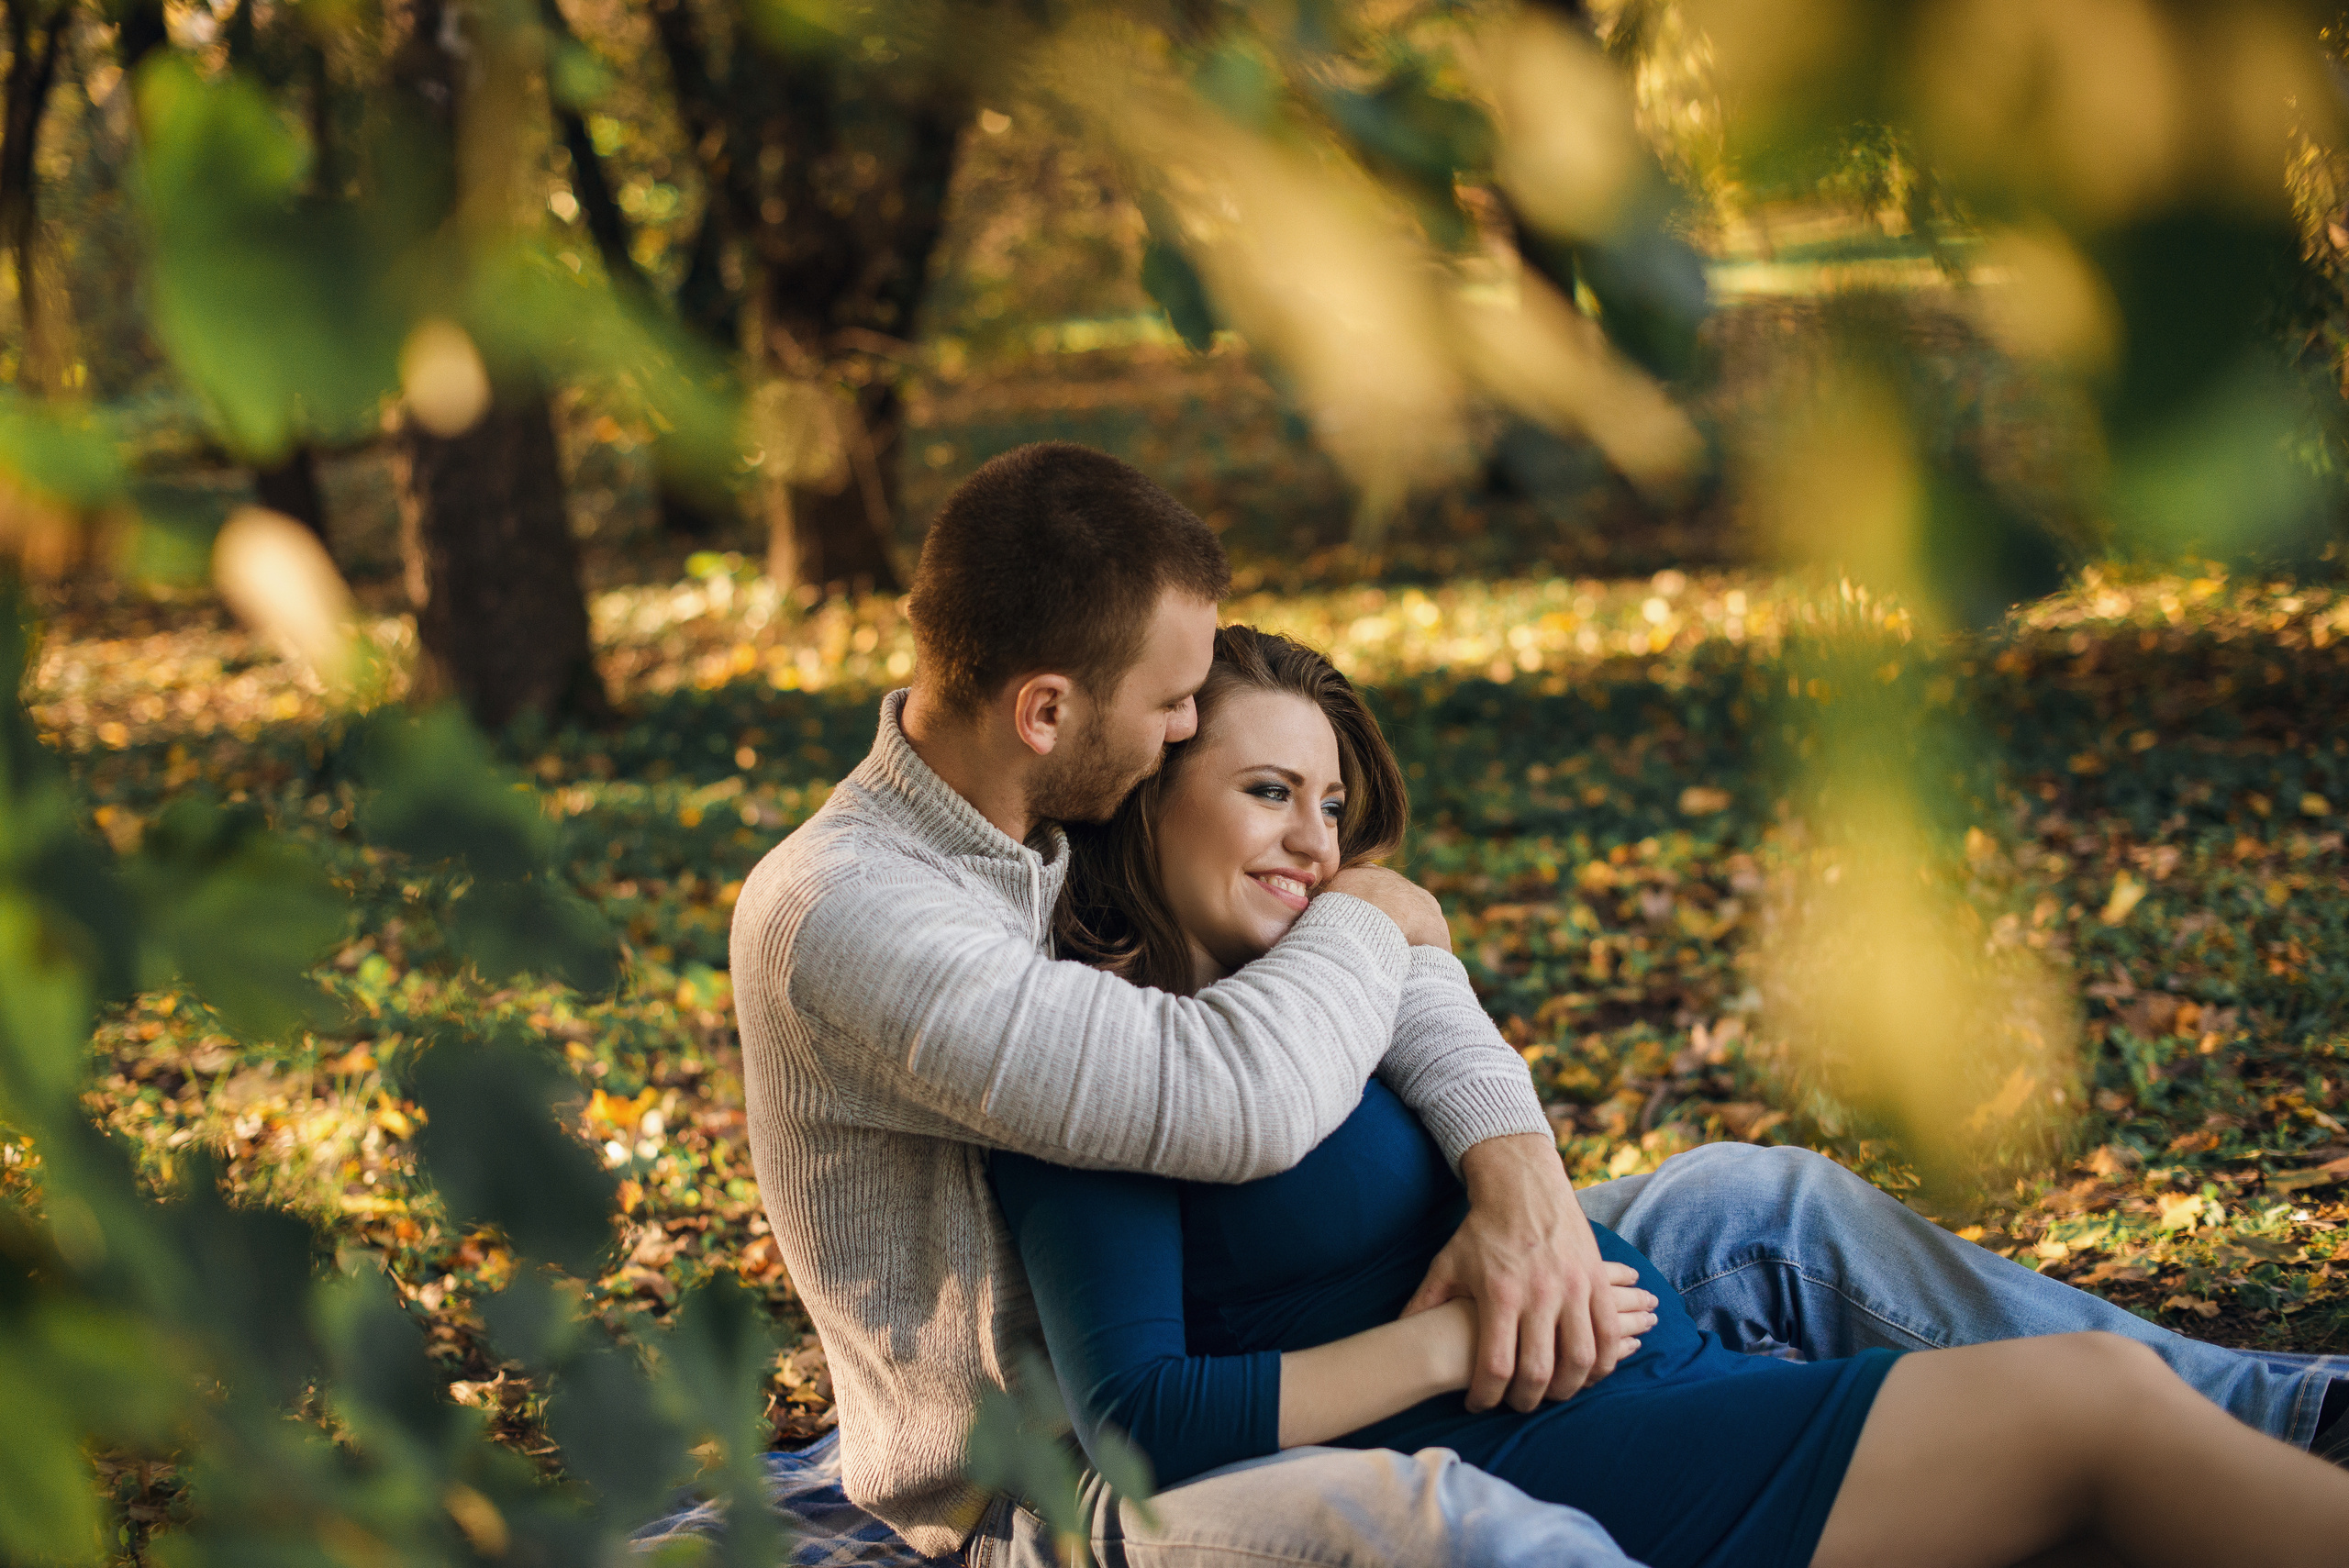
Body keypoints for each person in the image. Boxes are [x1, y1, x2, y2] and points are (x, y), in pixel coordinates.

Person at [731, 441, 2344, 1568]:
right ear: (1051, 713)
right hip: (1065, 1479)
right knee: (1474, 1529)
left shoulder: (1056, 838)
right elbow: (1216, 1107)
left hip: (1462, 1334)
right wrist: (1379, 918)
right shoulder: (858, 917)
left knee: (1760, 1201)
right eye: (1176, 721)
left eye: (1332, 805)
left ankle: (2298, 1416)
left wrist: (1521, 1189)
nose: (1179, 737)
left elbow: (1355, 1015)